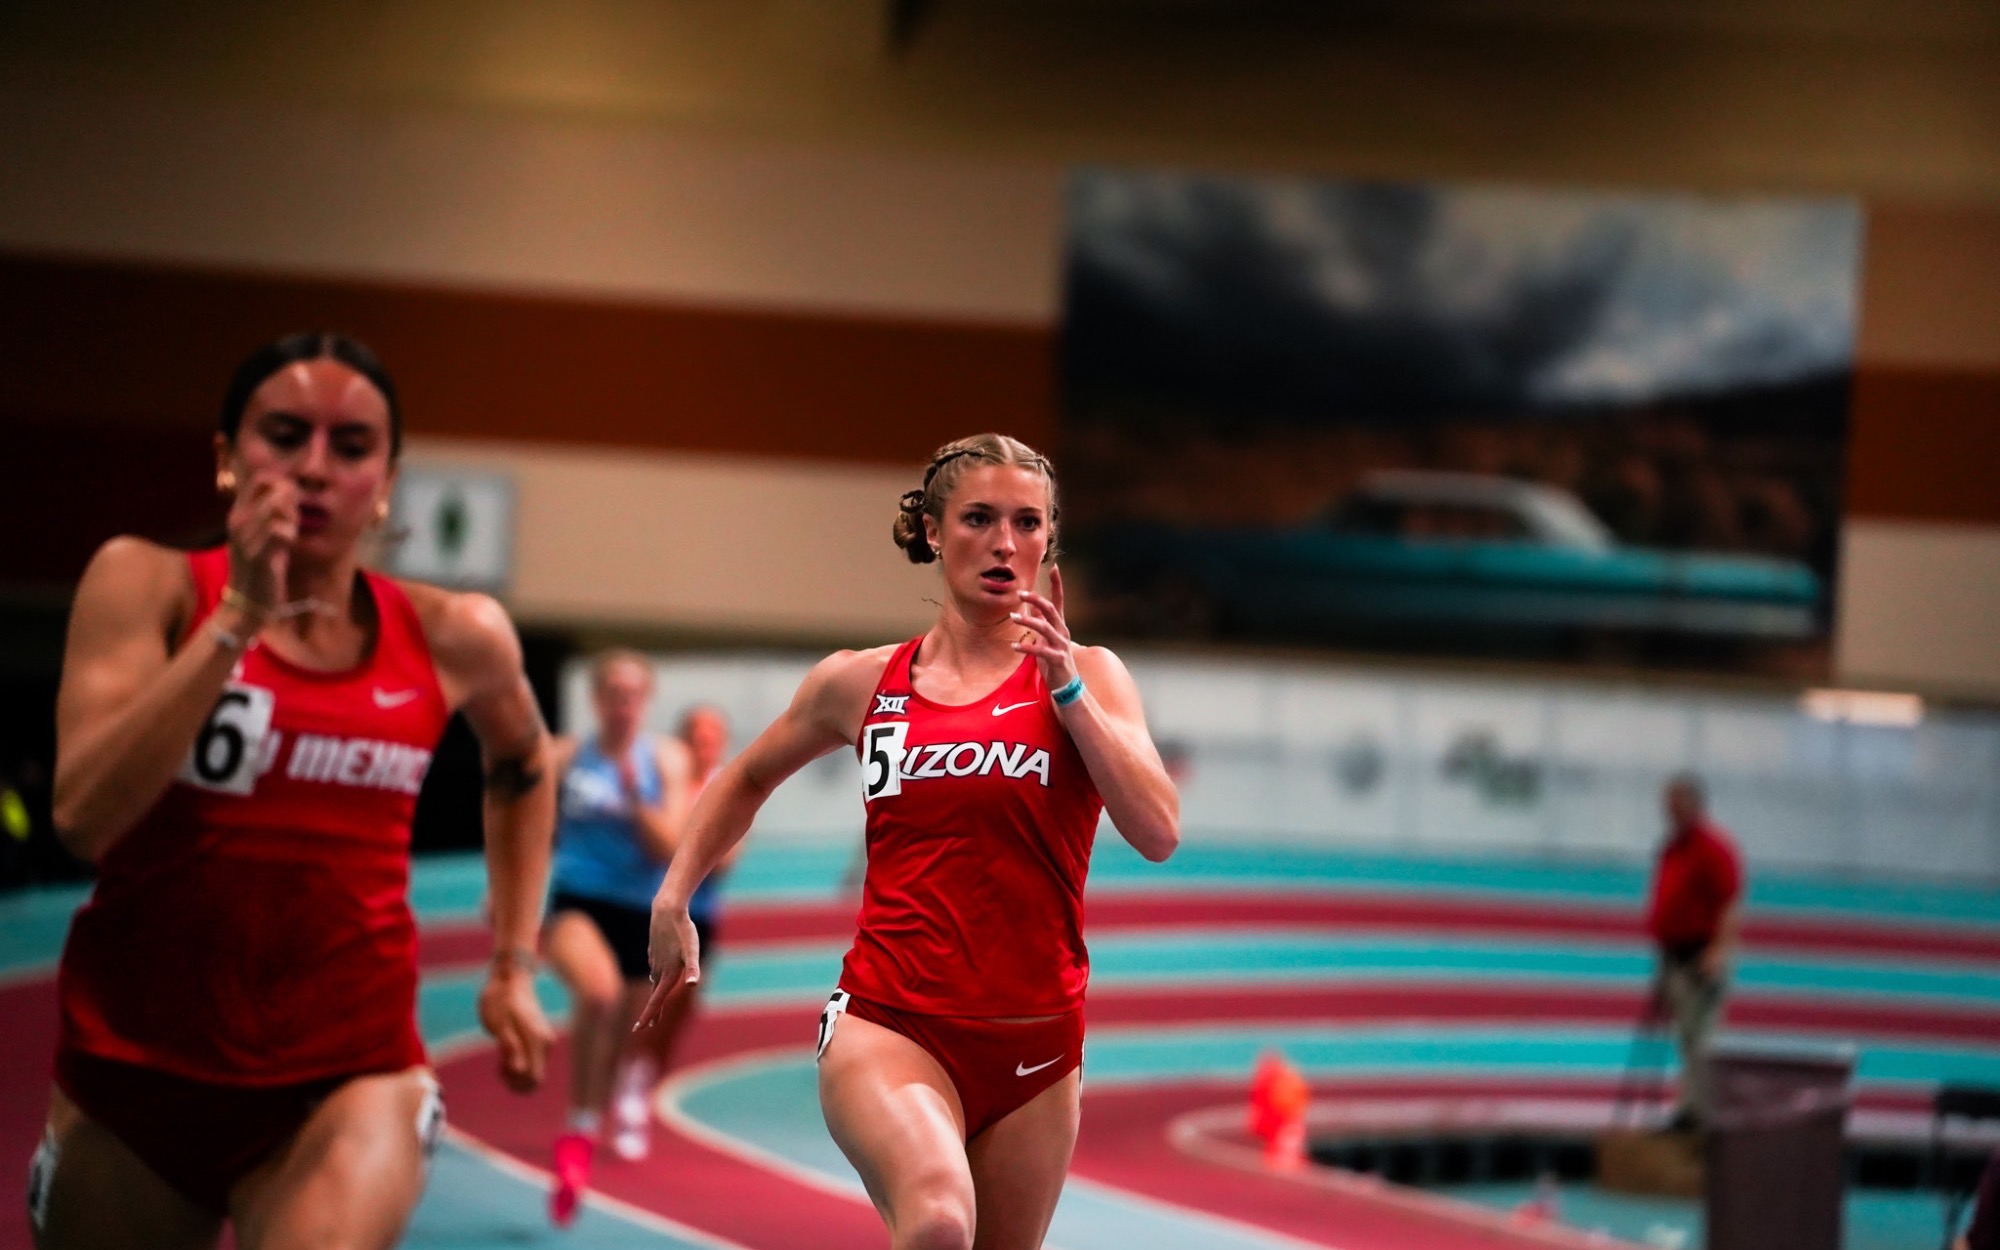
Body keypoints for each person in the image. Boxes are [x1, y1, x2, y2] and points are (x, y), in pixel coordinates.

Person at [29, 333, 556, 1250]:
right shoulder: (144, 584)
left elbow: (525, 765)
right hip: (136, 1067)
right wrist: (239, 617)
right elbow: (83, 817)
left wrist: (512, 962)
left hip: (348, 1074)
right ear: (229, 460)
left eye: (351, 448)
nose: (314, 469)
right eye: (283, 436)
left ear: (386, 480)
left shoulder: (455, 634)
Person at [637, 433, 1180, 1250]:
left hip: (1037, 1049)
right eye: (980, 519)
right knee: (936, 1219)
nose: (1005, 543)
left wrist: (1066, 688)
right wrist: (674, 893)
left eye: (1029, 523)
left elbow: (1157, 830)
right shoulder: (860, 681)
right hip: (891, 1024)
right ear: (932, 533)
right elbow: (746, 777)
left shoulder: (1092, 676)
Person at [541, 650, 693, 1221]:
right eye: (612, 694)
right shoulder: (565, 757)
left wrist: (634, 795)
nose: (622, 705)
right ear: (596, 698)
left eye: (633, 695)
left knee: (625, 1035)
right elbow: (531, 827)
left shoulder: (666, 760)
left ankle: (592, 1113)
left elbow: (667, 844)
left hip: (641, 914)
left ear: (645, 701)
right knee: (597, 993)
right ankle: (578, 1127)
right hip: (578, 903)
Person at [606, 704, 735, 1164]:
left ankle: (640, 1081)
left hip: (704, 916)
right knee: (663, 999)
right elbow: (649, 843)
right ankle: (629, 1089)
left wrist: (683, 842)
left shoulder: (728, 786)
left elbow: (727, 862)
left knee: (680, 1015)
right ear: (683, 742)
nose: (707, 746)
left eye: (714, 737)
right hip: (659, 913)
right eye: (698, 737)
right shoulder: (663, 783)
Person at [1644, 772, 1743, 1133]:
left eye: (1674, 804)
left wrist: (1718, 950)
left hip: (1702, 955)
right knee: (1687, 1038)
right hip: (1676, 955)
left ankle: (1701, 1114)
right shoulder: (1673, 847)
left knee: (1702, 1039)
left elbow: (1729, 902)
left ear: (1692, 804)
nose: (1667, 811)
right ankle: (1689, 1108)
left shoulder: (1714, 847)